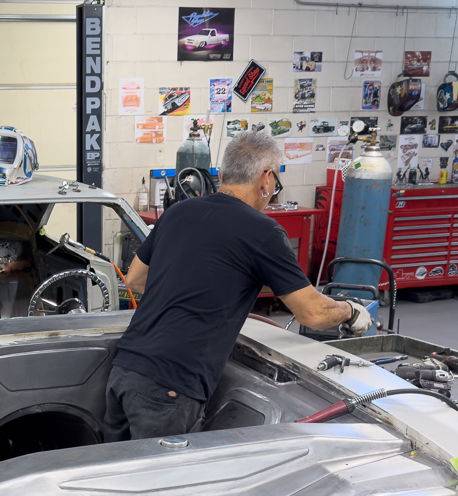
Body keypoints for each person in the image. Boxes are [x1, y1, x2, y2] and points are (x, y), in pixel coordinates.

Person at [104, 131, 372, 441]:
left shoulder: (177, 212)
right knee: (163, 471)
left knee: (115, 467)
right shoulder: (263, 231)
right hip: (170, 385)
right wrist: (350, 311)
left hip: (124, 369)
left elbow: (135, 279)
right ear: (266, 179)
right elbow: (313, 313)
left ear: (223, 174)